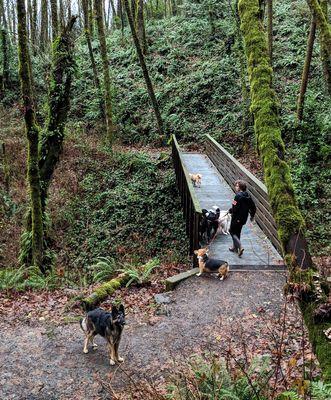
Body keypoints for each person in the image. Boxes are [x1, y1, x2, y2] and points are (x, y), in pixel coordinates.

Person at [228, 180, 256, 257]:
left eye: (237, 186)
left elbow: (234, 207)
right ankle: (235, 247)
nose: (235, 187)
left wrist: (231, 211)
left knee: (231, 231)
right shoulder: (248, 195)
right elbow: (253, 207)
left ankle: (240, 246)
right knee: (238, 232)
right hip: (243, 218)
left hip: (236, 217)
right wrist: (252, 216)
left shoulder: (237, 196)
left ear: (240, 188)